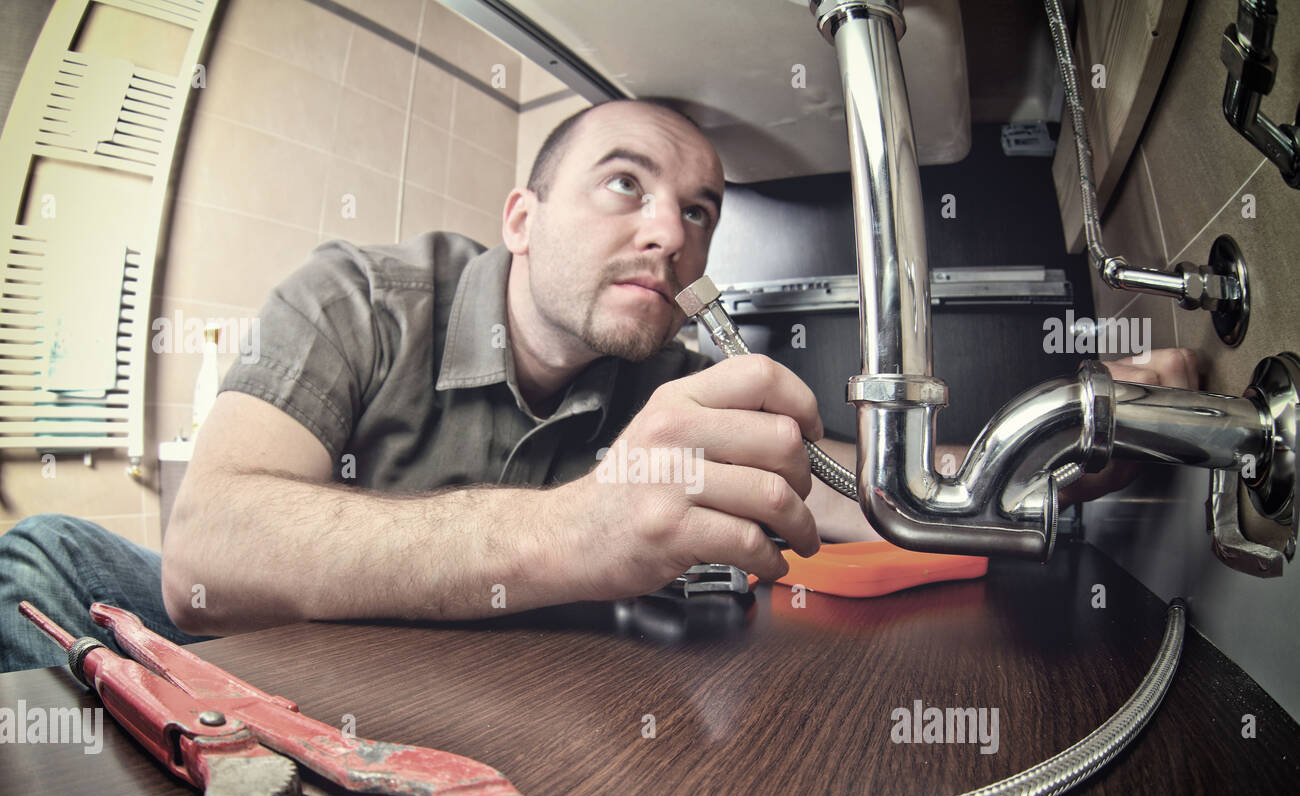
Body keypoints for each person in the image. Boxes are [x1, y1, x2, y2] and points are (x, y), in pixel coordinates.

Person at [0, 99, 1196, 671]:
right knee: (47, 550)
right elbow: (207, 556)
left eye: (697, 212)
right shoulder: (357, 298)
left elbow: (865, 488)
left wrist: (1076, 434)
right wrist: (581, 525)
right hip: (258, 668)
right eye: (623, 185)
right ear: (520, 218)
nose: (669, 234)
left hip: (449, 714)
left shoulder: (670, 377)